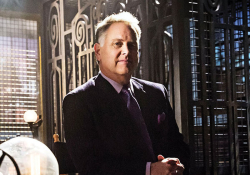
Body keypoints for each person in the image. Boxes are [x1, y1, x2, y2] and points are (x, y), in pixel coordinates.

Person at [63, 12, 189, 175]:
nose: (126, 51)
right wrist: (149, 170)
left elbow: (179, 145)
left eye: (132, 45)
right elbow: (91, 167)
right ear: (98, 52)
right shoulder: (78, 101)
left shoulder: (157, 93)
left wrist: (176, 166)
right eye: (117, 44)